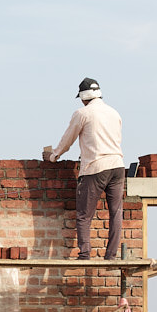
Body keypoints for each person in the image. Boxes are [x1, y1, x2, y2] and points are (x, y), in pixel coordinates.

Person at [44, 77, 126, 258]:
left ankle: (85, 253)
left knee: (83, 214)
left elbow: (68, 140)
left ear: (83, 97)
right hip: (118, 166)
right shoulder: (114, 113)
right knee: (116, 214)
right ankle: (111, 255)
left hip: (95, 167)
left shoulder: (83, 113)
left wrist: (53, 156)